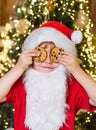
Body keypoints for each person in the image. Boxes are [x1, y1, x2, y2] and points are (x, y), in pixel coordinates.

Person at [0, 21, 96, 130]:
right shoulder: (22, 83)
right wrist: (19, 68)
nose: (48, 61)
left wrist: (77, 70)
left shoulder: (72, 85)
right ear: (31, 54)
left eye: (55, 55)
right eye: (41, 54)